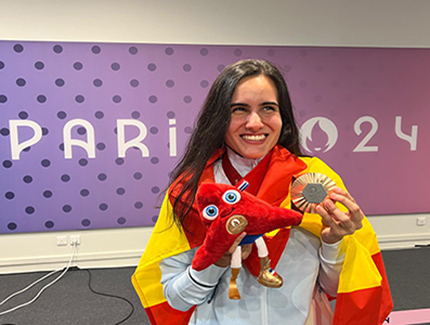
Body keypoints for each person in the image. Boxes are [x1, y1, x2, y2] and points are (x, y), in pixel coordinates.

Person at [132, 59, 393, 325]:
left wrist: (333, 242)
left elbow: (334, 289)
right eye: (239, 110)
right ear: (218, 117)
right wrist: (216, 259)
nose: (255, 123)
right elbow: (177, 298)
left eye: (268, 108)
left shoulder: (313, 178)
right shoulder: (192, 189)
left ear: (283, 116)